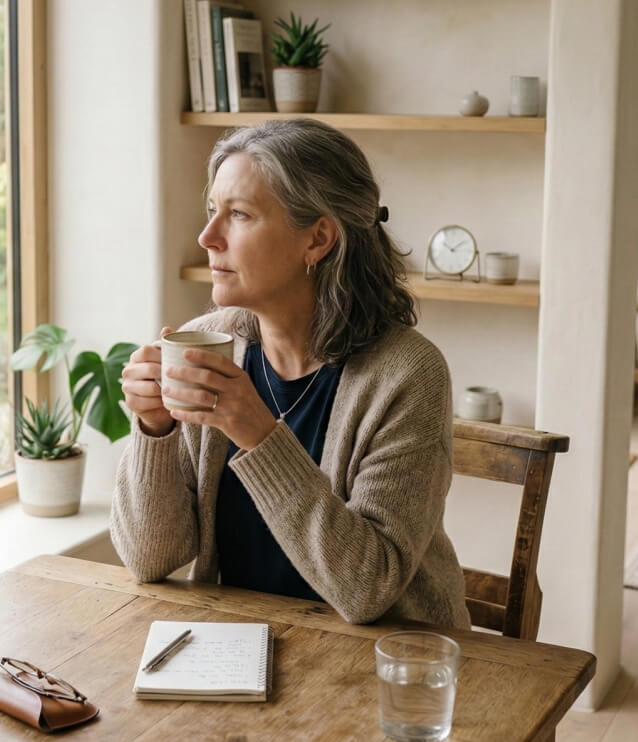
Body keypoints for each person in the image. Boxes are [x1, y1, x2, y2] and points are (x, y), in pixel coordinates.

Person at [110, 118, 470, 629]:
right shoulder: (208, 344)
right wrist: (154, 430)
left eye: (239, 214)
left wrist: (258, 434)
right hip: (238, 644)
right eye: (213, 211)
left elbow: (368, 589)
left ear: (317, 239)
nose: (208, 237)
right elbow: (150, 559)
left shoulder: (409, 375)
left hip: (389, 653)